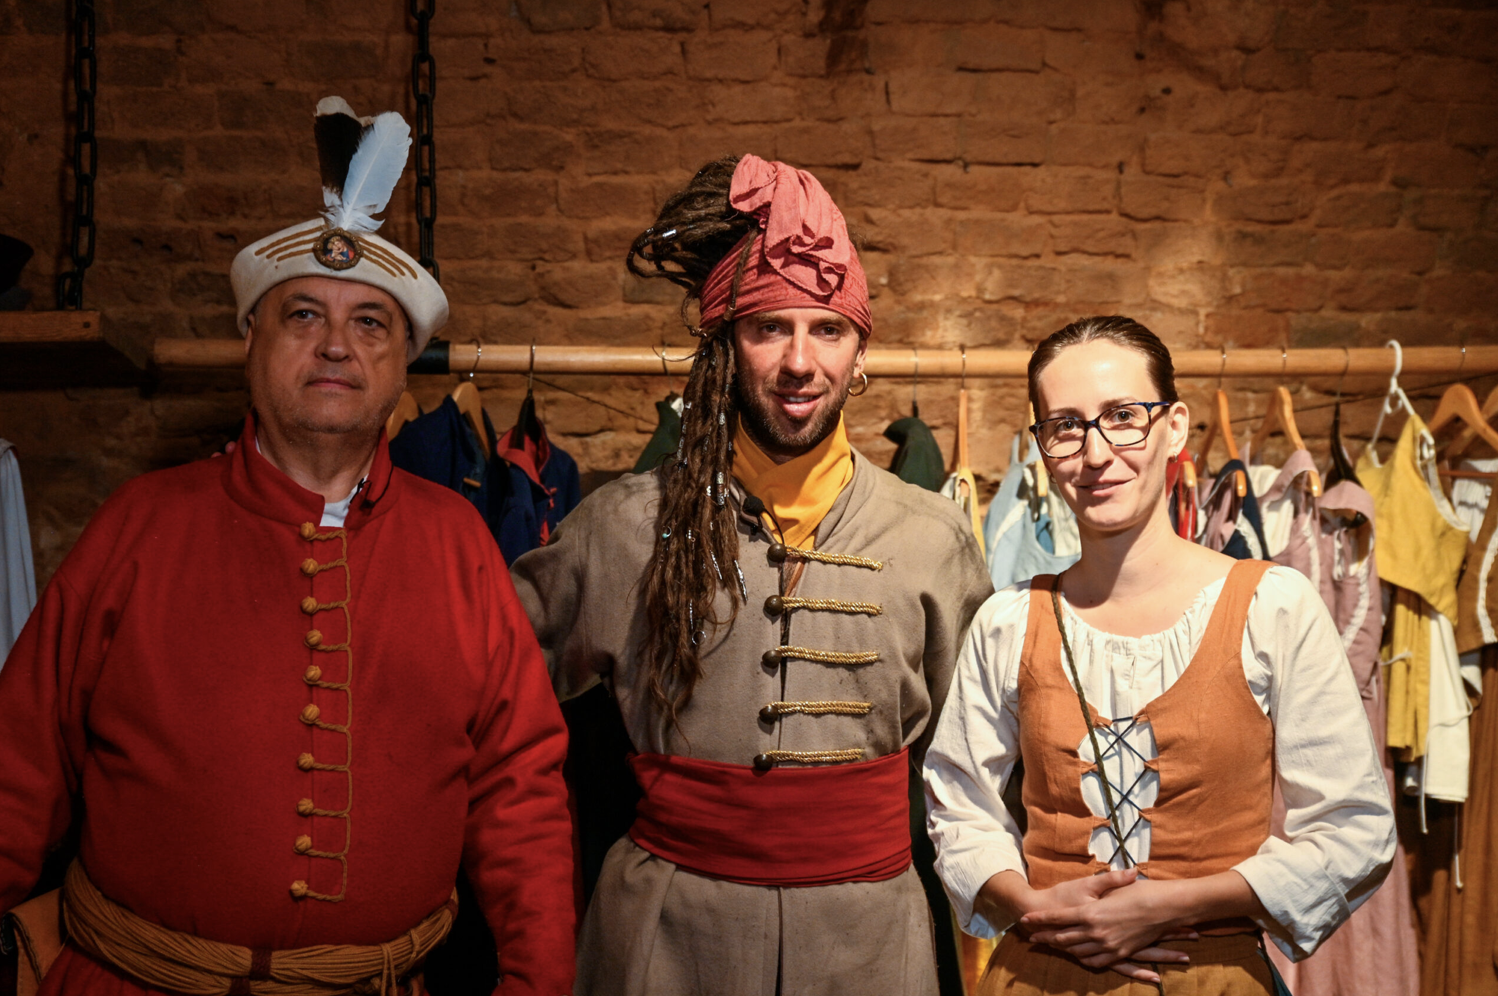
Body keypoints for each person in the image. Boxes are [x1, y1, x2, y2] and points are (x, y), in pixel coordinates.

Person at [0, 97, 575, 996]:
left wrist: (538, 984)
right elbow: (17, 766)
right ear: (251, 341)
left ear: (400, 363)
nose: (336, 345)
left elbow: (520, 789)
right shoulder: (140, 524)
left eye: (370, 323)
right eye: (303, 315)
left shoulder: (457, 541)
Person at [510, 154, 993, 996]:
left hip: (870, 945)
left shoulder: (934, 539)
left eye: (827, 330)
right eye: (769, 327)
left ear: (860, 349)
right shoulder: (622, 527)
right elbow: (484, 703)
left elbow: (983, 765)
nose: (801, 361)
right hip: (667, 941)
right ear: (725, 346)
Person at [923, 316, 1396, 995]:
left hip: (1213, 975)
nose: (1095, 453)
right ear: (1043, 448)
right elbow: (957, 800)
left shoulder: (1273, 607)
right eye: (1066, 426)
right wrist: (1026, 903)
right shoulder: (1009, 620)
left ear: (1174, 428)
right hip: (1040, 972)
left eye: (1123, 416)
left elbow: (1353, 827)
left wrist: (1175, 903)